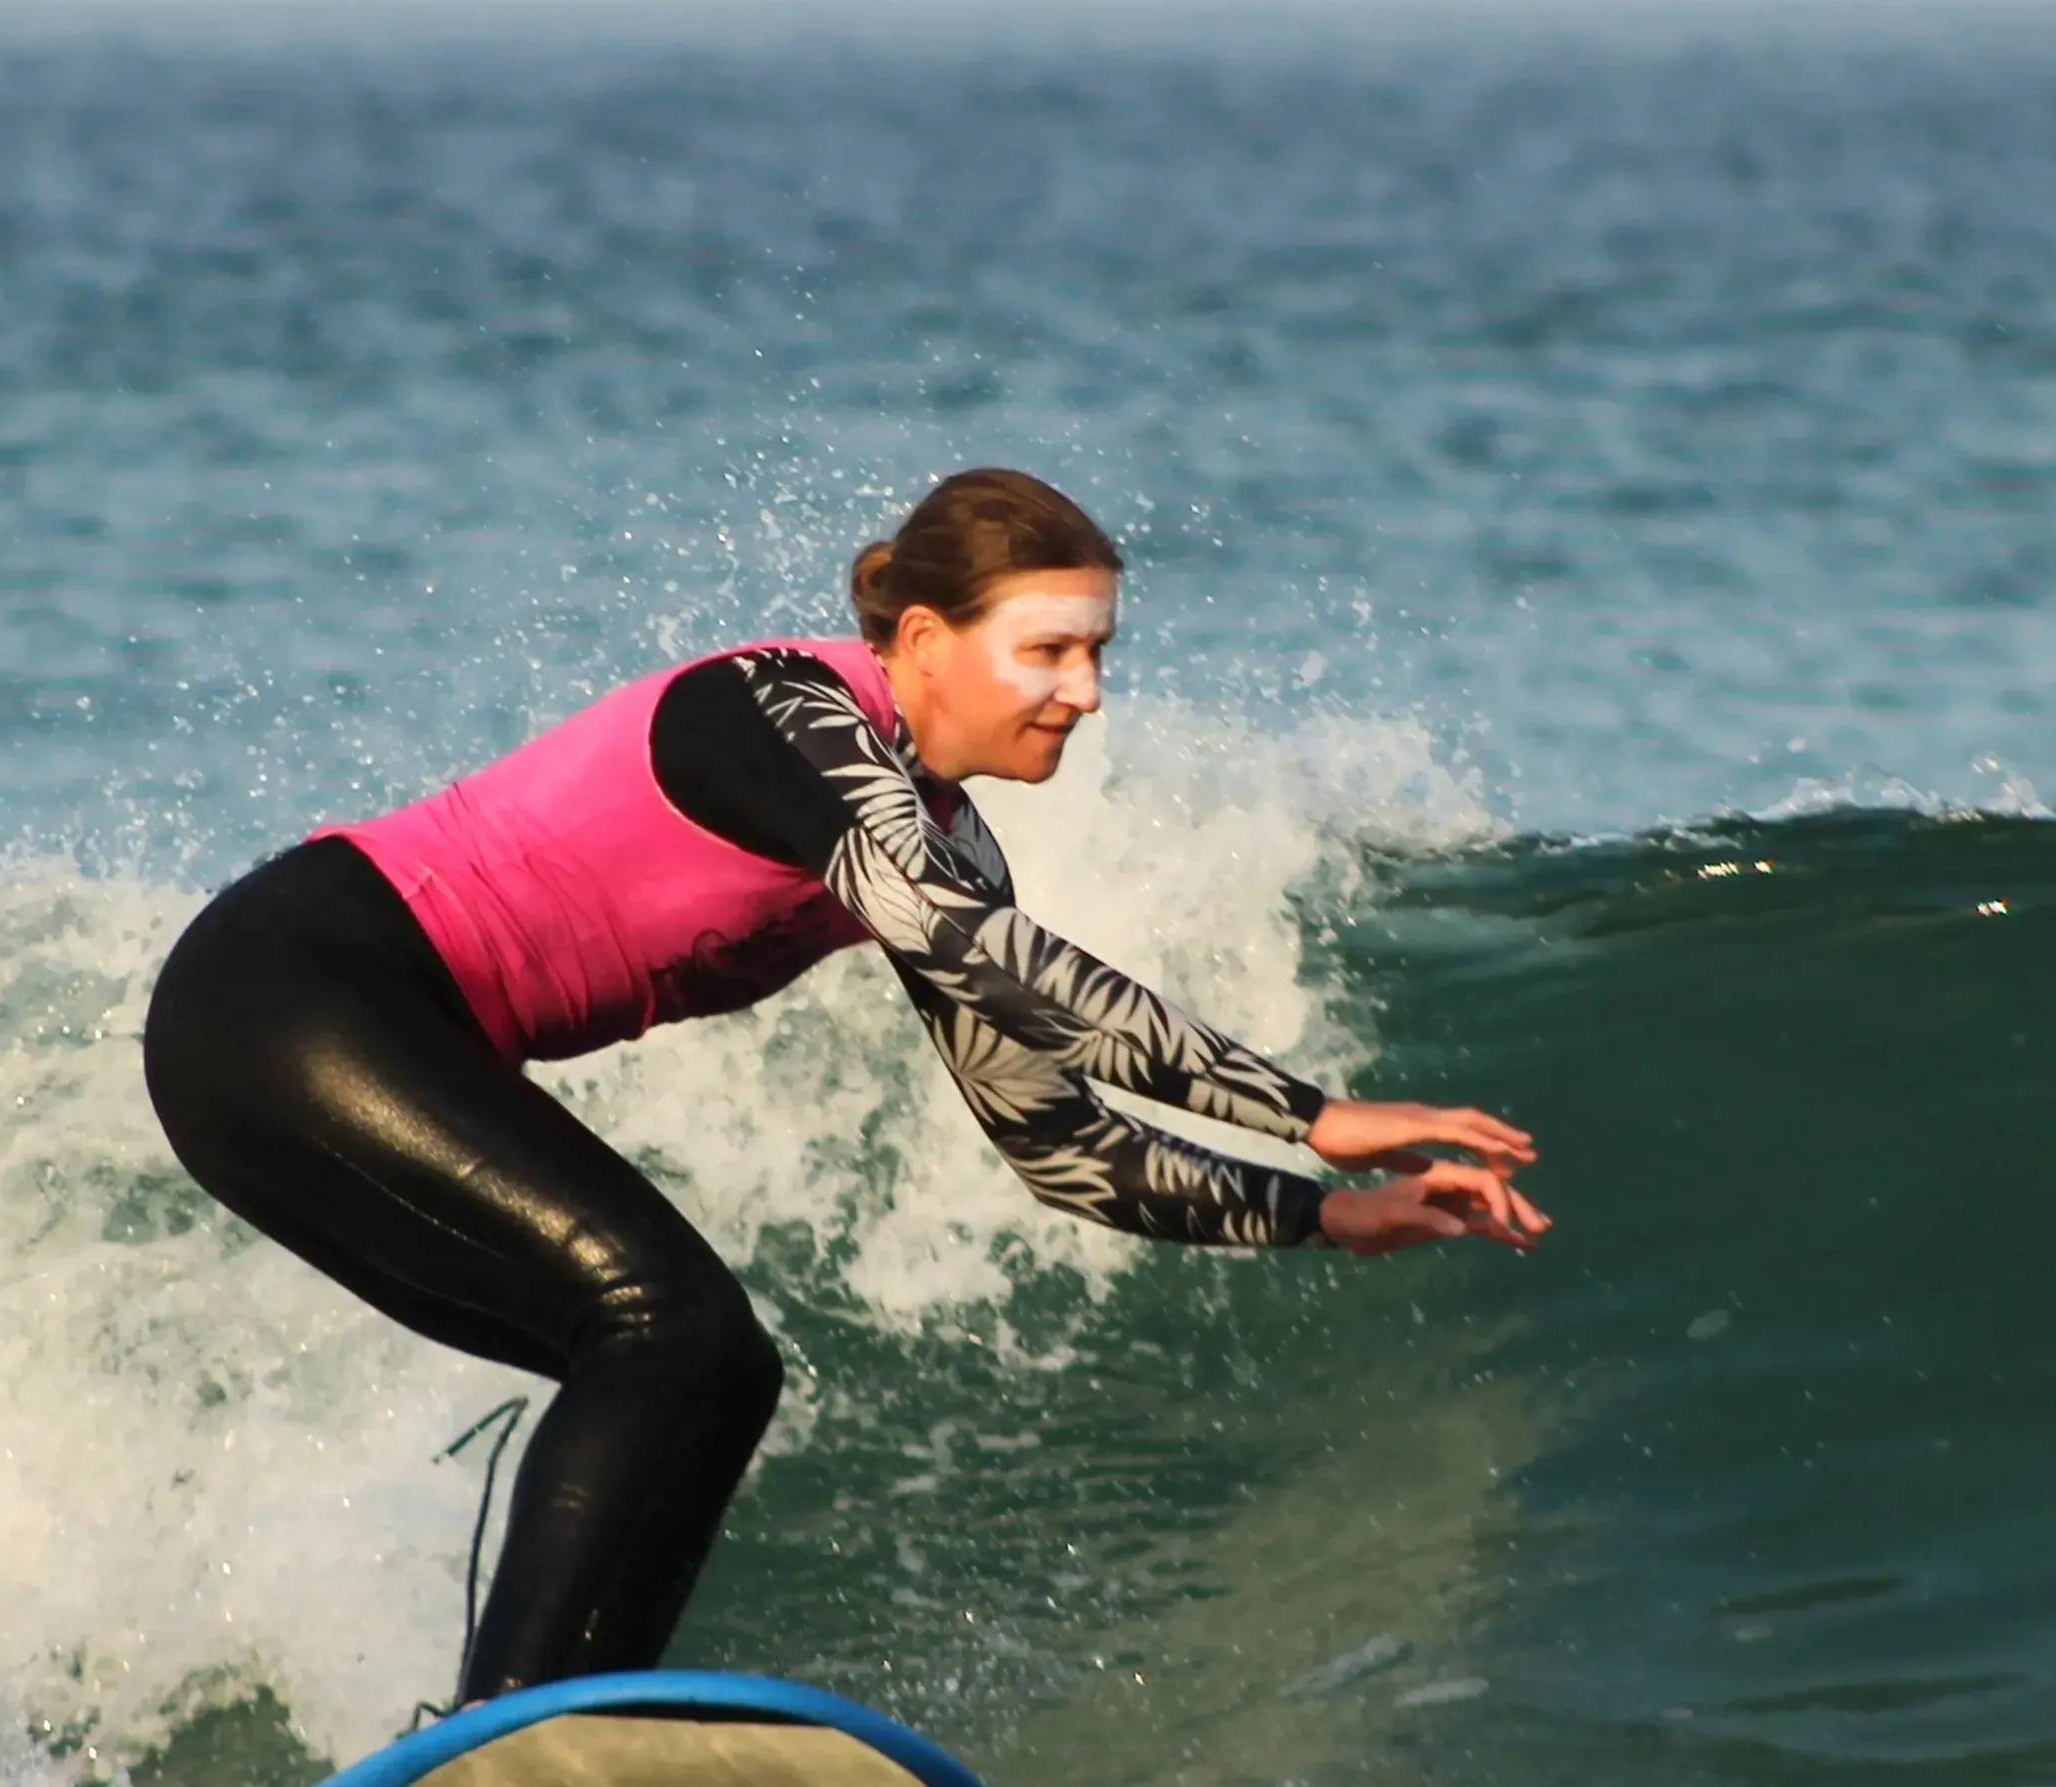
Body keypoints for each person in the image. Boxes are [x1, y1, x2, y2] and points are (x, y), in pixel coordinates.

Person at [144, 467, 1545, 1706]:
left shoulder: (945, 851)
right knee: (664, 1324)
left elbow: (1057, 1147)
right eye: (1049, 649)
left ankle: (562, 1737)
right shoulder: (779, 710)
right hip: (288, 998)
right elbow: (971, 946)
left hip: (360, 1041)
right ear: (925, 640)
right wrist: (1311, 1112)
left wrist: (1322, 1214)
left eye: (1100, 651)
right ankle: (504, 1738)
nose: (1088, 690)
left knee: (714, 1366)